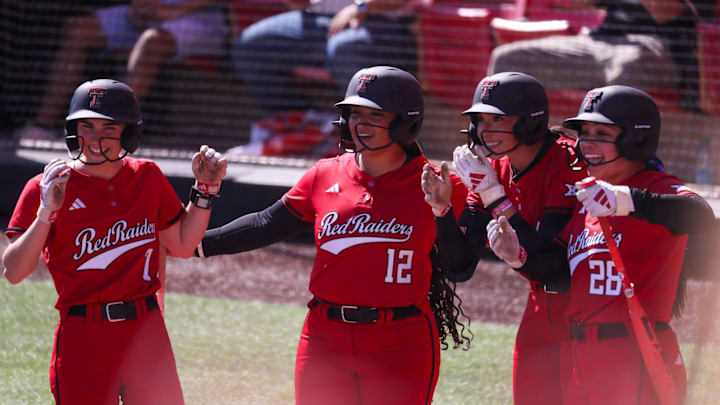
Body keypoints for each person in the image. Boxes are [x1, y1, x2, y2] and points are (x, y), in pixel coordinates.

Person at [195, 65, 471, 405]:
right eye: (355, 113)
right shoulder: (325, 173)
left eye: (375, 114)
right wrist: (193, 244)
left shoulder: (441, 184)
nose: (361, 124)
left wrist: (441, 211)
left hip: (401, 340)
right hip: (325, 336)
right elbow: (266, 224)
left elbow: (461, 267)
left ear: (405, 121)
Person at [2, 78, 228, 404]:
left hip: (145, 329)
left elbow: (180, 245)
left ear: (128, 132)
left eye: (108, 127)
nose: (94, 138)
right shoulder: (46, 185)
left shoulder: (147, 177)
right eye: (86, 126)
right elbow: (13, 271)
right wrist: (45, 212)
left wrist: (205, 190)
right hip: (83, 334)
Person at [486, 85, 715, 405]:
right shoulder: (591, 196)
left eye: (602, 133)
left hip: (633, 356)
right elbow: (565, 274)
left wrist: (628, 200)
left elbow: (703, 216)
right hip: (579, 354)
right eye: (585, 132)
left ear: (637, 138)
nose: (588, 143)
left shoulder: (654, 187)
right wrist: (519, 257)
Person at [420, 71, 589, 405]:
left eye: (497, 119)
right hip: (541, 310)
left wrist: (495, 198)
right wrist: (442, 210)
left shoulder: (569, 162)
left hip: (587, 309)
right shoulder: (494, 169)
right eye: (480, 120)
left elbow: (556, 266)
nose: (484, 131)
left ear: (529, 122)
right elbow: (460, 267)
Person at [13, 0, 228, 140]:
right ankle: (41, 127)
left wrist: (175, 11)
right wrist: (140, 6)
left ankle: (102, 130)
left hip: (201, 15)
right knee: (79, 29)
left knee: (152, 42)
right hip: (145, 11)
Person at [488, 0, 715, 110]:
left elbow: (665, 12)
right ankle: (499, 151)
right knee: (507, 59)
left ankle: (619, 158)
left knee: (624, 66)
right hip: (600, 41)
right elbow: (574, 4)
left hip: (661, 47)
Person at [232, 0, 417, 116]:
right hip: (319, 19)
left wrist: (362, 6)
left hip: (378, 21)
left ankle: (364, 132)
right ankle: (303, 122)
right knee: (250, 46)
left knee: (342, 48)